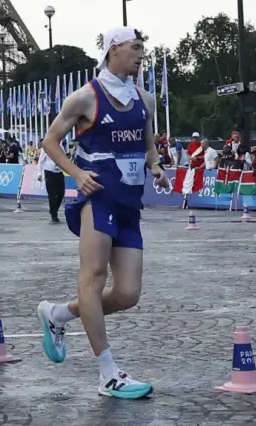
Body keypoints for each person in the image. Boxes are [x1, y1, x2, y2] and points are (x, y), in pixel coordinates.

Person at [37, 27, 170, 401]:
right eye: (135, 48)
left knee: (128, 293)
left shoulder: (144, 97)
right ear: (114, 50)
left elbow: (147, 140)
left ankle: (58, 314)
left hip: (129, 203)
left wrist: (156, 165)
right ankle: (108, 373)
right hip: (97, 200)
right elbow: (49, 141)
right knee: (93, 277)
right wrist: (76, 174)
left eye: (143, 49)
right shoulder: (85, 97)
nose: (141, 55)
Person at [38, 138, 66, 223]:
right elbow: (40, 161)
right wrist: (40, 173)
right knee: (52, 194)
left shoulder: (61, 147)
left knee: (61, 193)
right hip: (49, 172)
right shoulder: (46, 148)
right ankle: (54, 215)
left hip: (59, 172)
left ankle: (53, 209)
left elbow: (64, 159)